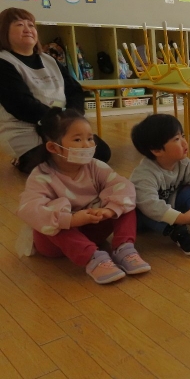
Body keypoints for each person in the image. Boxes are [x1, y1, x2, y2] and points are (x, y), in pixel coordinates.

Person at [17, 108, 148, 284]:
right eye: (78, 140)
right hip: (56, 243)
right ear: (53, 147)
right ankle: (93, 259)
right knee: (51, 221)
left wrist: (110, 210)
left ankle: (124, 249)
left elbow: (122, 186)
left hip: (92, 230)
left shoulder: (95, 166)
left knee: (125, 202)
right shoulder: (41, 175)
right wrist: (70, 220)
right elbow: (30, 209)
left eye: (90, 138)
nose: (87, 145)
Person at [0, 7, 110, 173]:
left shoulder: (49, 60)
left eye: (31, 25)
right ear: (4, 31)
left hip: (63, 123)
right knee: (50, 165)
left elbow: (74, 90)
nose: (28, 29)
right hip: (26, 128)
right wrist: (60, 120)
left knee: (101, 152)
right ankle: (21, 159)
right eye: (19, 24)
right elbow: (20, 104)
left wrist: (73, 117)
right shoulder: (4, 62)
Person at [130, 114, 190, 255]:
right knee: (144, 209)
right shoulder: (144, 174)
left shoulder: (184, 163)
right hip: (146, 217)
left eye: (182, 136)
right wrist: (179, 219)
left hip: (171, 207)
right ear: (157, 150)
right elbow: (150, 205)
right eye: (176, 139)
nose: (184, 142)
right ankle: (178, 232)